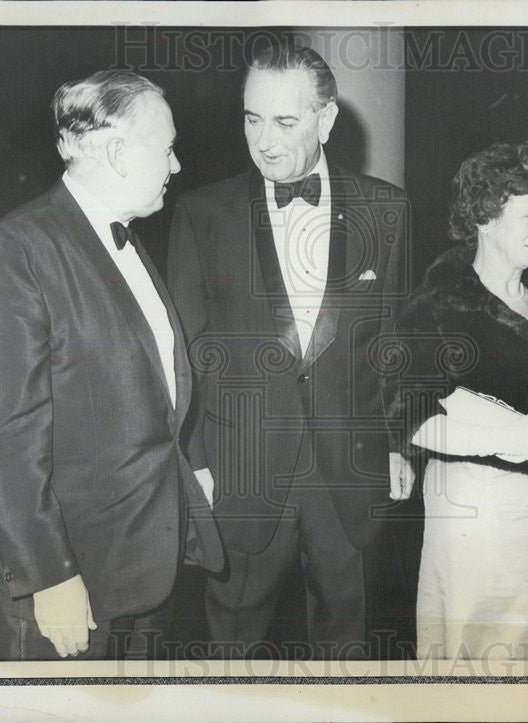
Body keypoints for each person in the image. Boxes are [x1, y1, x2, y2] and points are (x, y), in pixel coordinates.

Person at [167, 42, 413, 659]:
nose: (264, 141)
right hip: (241, 472)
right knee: (235, 647)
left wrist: (402, 443)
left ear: (326, 121)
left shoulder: (388, 211)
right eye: (252, 118)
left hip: (351, 474)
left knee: (349, 645)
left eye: (284, 121)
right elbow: (184, 351)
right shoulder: (201, 214)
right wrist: (196, 463)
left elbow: (399, 342)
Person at [0, 70, 222, 661]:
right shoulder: (15, 249)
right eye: (166, 149)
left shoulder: (129, 242)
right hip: (69, 578)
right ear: (114, 152)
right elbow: (3, 437)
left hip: (144, 563)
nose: (177, 165)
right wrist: (50, 576)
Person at [381, 141, 528, 661]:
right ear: (484, 216)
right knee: (476, 656)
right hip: (475, 511)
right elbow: (409, 412)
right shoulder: (437, 304)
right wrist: (510, 438)